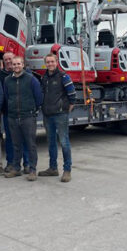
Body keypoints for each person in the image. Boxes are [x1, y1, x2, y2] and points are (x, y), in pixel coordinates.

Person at [3, 56, 43, 181]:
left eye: (18, 64)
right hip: (13, 117)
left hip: (28, 117)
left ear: (23, 64)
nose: (16, 66)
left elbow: (39, 98)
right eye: (14, 64)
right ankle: (16, 168)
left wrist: (30, 110)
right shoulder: (7, 80)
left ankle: (32, 170)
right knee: (16, 144)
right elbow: (6, 96)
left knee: (30, 144)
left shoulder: (31, 79)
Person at [38, 53, 76, 182]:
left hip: (60, 114)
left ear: (56, 62)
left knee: (64, 142)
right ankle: (53, 168)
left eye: (52, 62)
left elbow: (72, 93)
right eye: (48, 62)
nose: (50, 64)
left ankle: (67, 170)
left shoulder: (63, 76)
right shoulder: (44, 78)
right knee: (51, 143)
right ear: (45, 63)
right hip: (48, 115)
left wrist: (69, 106)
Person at [0, 52, 30, 174]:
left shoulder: (26, 73)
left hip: (23, 113)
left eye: (10, 59)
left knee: (25, 139)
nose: (8, 61)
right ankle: (10, 163)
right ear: (3, 61)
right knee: (10, 139)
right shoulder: (0, 74)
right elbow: (1, 93)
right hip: (8, 113)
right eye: (6, 59)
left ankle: (27, 164)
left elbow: (35, 93)